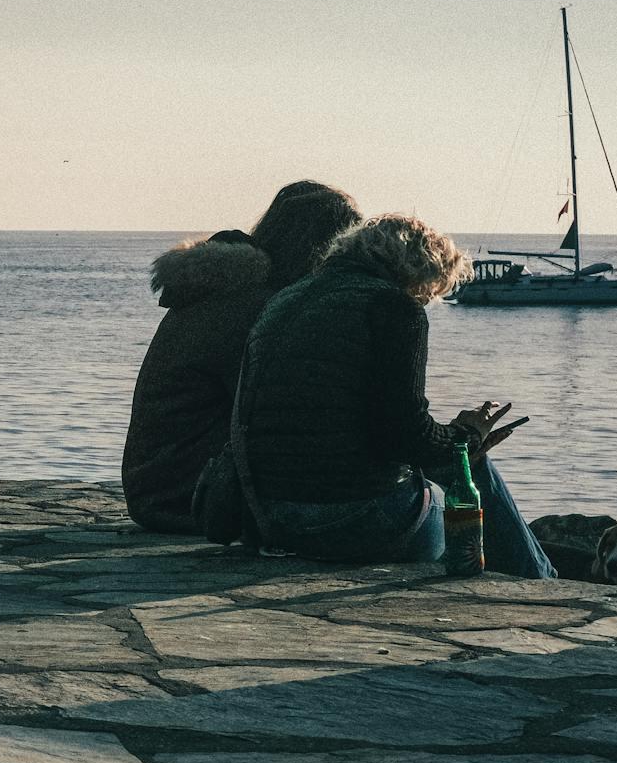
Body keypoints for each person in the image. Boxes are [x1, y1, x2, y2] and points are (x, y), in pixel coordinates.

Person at [233, 214, 555, 577]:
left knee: (459, 462)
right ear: (423, 271)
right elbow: (404, 435)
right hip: (350, 521)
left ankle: (537, 574)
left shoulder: (286, 300)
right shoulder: (394, 307)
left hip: (267, 517)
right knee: (469, 474)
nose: (428, 298)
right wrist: (465, 437)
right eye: (432, 289)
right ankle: (540, 581)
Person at [121, 181, 361, 532]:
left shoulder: (225, 295)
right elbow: (276, 413)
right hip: (191, 495)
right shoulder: (255, 309)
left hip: (163, 485)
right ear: (320, 247)